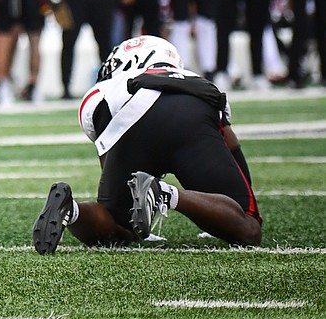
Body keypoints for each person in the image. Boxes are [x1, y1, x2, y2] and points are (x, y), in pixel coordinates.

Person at [32, 35, 262, 254]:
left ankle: (71, 211)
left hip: (126, 111)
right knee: (248, 228)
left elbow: (108, 154)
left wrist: (122, 212)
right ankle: (164, 193)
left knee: (118, 227)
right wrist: (244, 204)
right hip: (193, 108)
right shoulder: (198, 81)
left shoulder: (105, 89)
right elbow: (231, 145)